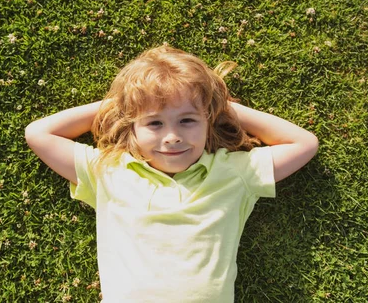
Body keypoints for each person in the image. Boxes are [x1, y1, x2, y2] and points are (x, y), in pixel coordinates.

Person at [24, 44, 319, 302]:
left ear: (209, 122)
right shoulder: (108, 171)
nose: (172, 136)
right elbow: (39, 134)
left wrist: (222, 108)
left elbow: (304, 143)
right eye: (154, 123)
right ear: (132, 128)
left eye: (188, 120)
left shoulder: (233, 172)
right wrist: (121, 104)